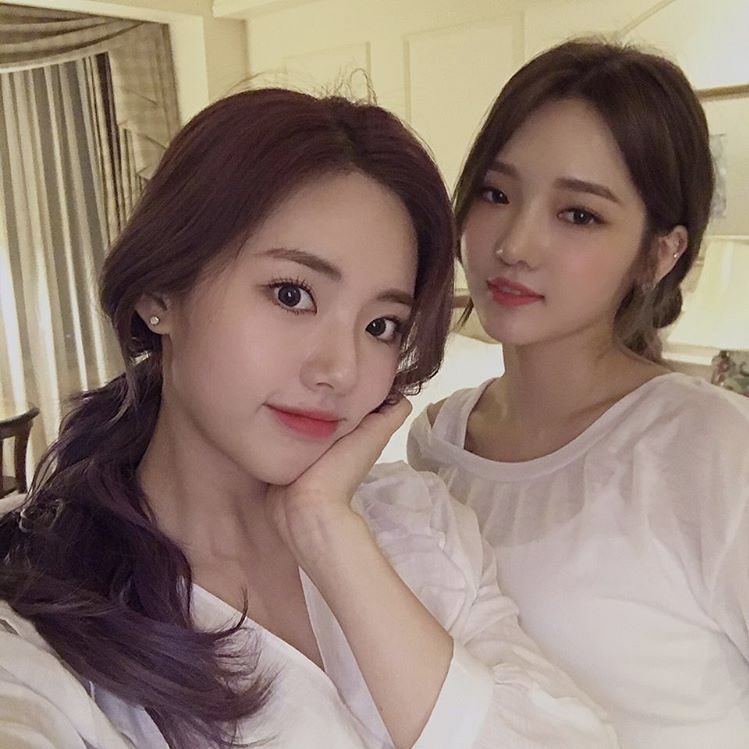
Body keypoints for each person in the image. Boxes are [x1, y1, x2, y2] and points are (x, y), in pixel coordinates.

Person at [0, 88, 618, 749]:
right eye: (291, 294)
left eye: (381, 325)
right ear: (161, 292)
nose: (341, 369)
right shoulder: (39, 619)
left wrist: (326, 529)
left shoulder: (418, 525)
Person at [407, 38, 749, 749]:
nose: (514, 244)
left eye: (579, 215)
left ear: (659, 254)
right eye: (496, 194)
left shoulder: (713, 450)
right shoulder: (438, 440)